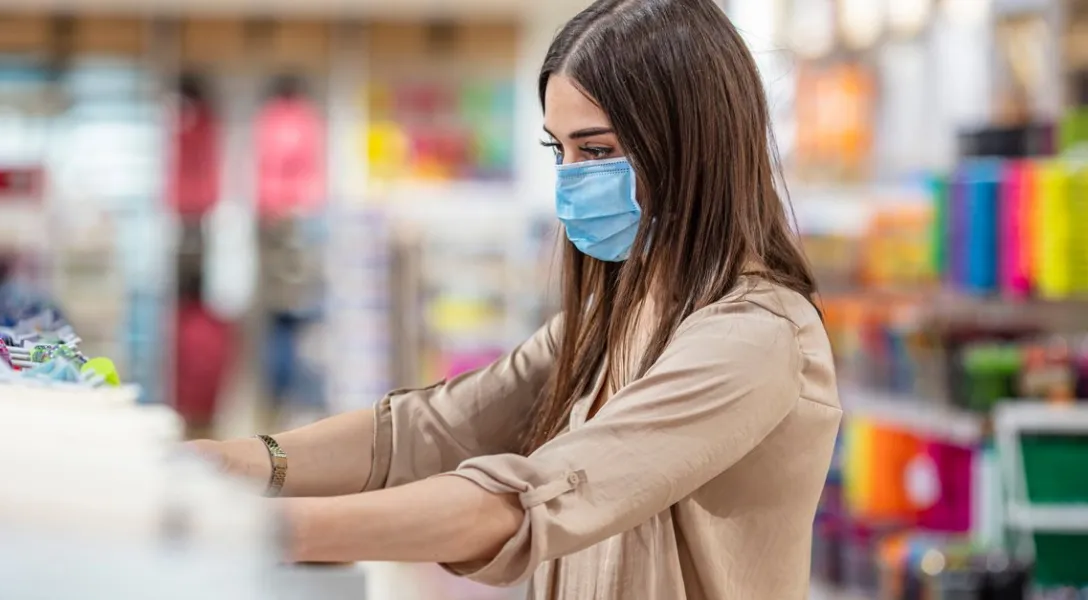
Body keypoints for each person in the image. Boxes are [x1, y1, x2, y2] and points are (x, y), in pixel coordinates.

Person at [190, 1, 841, 598]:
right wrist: (239, 461)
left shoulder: (757, 339)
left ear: (692, 142)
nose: (569, 179)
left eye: (596, 150)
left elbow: (524, 502)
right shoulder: (616, 316)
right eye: (559, 151)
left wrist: (256, 528)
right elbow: (432, 429)